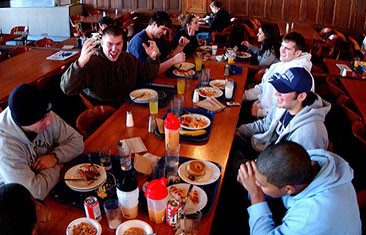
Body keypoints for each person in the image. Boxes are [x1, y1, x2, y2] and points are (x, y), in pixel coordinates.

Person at [237, 141, 362, 234]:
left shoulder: (310, 217)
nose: (257, 184)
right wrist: (258, 177)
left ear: (288, 189)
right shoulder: (312, 161)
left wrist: (255, 193)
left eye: (262, 185)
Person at [0, 84, 84, 200]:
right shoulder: (5, 148)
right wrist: (57, 167)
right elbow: (34, 193)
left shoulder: (41, 112)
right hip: (15, 203)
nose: (49, 122)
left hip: (48, 185)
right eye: (42, 120)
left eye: (47, 115)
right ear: (24, 124)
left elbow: (77, 141)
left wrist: (55, 157)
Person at [235, 67, 330, 162]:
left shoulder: (309, 134)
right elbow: (265, 124)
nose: (276, 93)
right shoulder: (285, 105)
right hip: (265, 152)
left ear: (301, 96)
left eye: (284, 90)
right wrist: (241, 130)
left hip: (274, 168)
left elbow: (295, 172)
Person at [61, 25, 160, 107]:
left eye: (118, 44)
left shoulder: (130, 59)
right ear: (102, 43)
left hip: (128, 107)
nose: (114, 49)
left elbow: (146, 77)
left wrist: (152, 58)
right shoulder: (90, 62)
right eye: (109, 44)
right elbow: (68, 89)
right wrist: (79, 64)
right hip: (103, 114)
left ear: (123, 44)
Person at [242, 32, 314, 118]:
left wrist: (261, 112)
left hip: (269, 118)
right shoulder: (278, 65)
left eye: (287, 48)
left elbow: (290, 108)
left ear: (298, 53)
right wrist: (243, 96)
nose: (282, 50)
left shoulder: (299, 76)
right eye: (282, 46)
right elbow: (262, 87)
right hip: (259, 105)